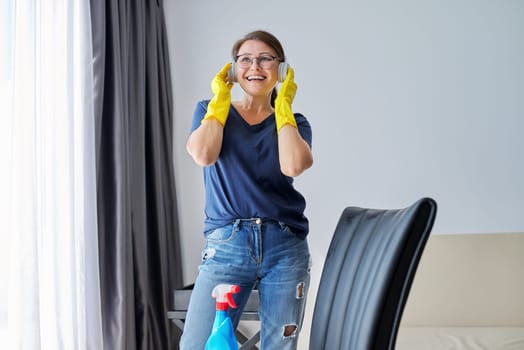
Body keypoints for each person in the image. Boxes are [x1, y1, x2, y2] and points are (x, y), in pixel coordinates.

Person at [180, 30, 313, 350]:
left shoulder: (294, 122)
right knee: (197, 345)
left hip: (285, 245)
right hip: (228, 244)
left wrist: (282, 109)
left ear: (281, 70)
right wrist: (219, 102)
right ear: (233, 70)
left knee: (278, 346)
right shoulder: (209, 110)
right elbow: (202, 154)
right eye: (245, 59)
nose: (255, 65)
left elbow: (293, 165)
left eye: (266, 58)